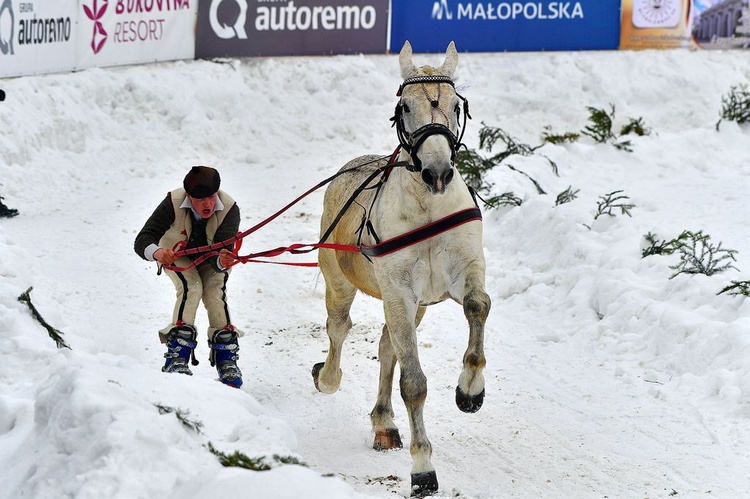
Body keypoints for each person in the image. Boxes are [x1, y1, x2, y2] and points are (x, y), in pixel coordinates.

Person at [134, 166, 243, 387]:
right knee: (191, 287)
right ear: (188, 196)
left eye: (211, 197)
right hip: (175, 254)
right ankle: (178, 355)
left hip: (213, 259)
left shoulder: (230, 209)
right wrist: (157, 252)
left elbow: (222, 252)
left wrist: (223, 260)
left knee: (215, 291)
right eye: (200, 199)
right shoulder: (172, 203)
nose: (208, 204)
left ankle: (226, 358)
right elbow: (143, 238)